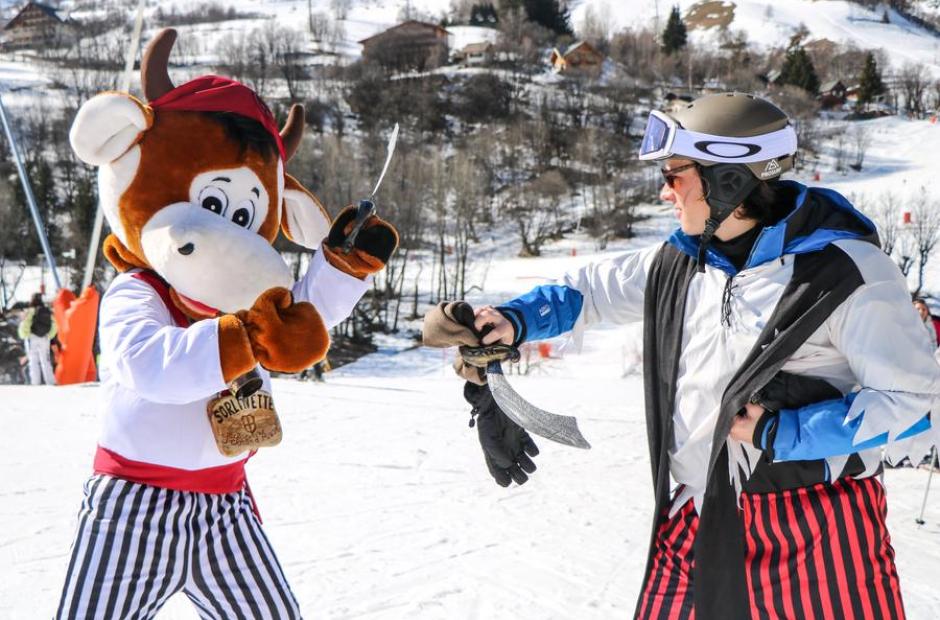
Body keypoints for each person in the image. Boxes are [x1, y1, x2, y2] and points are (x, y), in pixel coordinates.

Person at [429, 93, 940, 618]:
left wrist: (782, 432)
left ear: (728, 181)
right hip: (701, 513)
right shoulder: (683, 261)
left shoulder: (846, 273)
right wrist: (511, 320)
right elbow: (591, 291)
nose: (664, 191)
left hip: (817, 530)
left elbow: (913, 403)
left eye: (674, 176)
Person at [18, 292, 57, 385]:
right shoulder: (47, 311)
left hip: (32, 338)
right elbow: (54, 325)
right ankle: (50, 382)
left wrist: (24, 335)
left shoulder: (31, 311)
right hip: (45, 338)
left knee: (33, 361)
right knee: (46, 361)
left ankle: (36, 383)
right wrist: (49, 336)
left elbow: (25, 324)